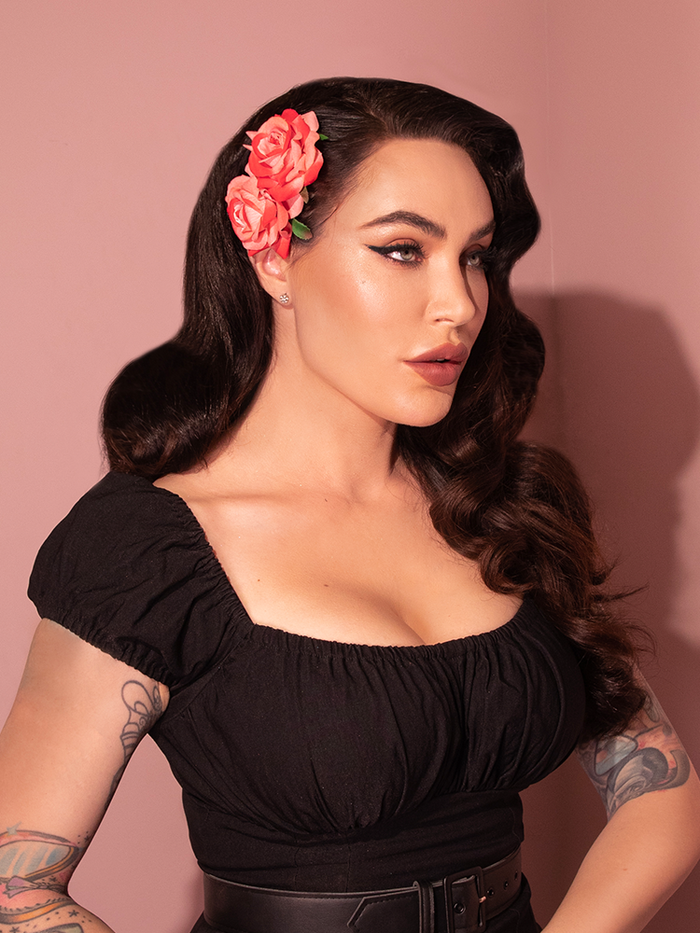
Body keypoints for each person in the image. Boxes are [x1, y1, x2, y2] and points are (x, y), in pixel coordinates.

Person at [0, 76, 698, 933]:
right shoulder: (145, 547)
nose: (460, 304)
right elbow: (14, 886)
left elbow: (662, 794)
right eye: (403, 249)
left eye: (474, 257)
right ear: (273, 258)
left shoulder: (502, 502)